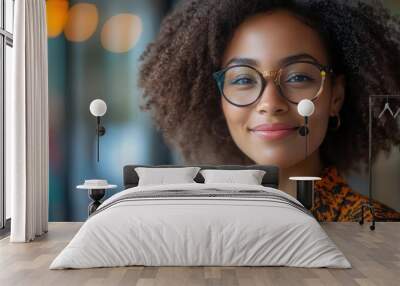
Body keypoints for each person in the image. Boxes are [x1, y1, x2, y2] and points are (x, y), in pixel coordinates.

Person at [138, 0, 400, 221]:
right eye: (243, 80)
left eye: (298, 77)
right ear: (219, 100)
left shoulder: (379, 230)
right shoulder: (197, 228)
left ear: (336, 96)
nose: (270, 103)